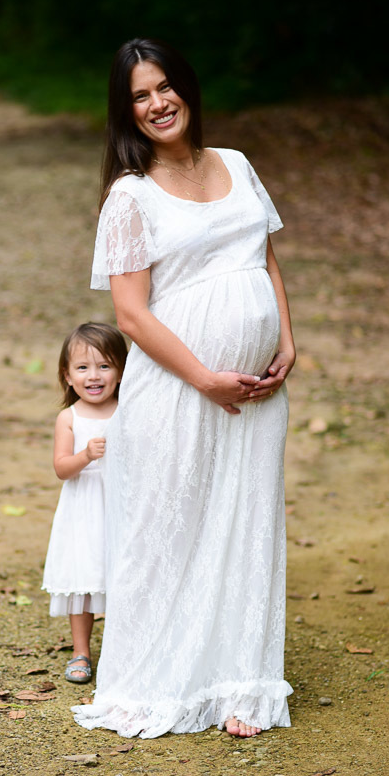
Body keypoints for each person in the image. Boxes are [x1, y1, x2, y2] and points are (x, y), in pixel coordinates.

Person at [73, 38, 296, 738]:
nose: (156, 103)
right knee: (170, 530)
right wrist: (204, 377)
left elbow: (263, 256)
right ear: (125, 112)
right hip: (180, 389)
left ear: (186, 89)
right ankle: (158, 683)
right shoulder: (130, 196)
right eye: (139, 96)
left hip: (257, 387)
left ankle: (239, 684)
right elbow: (131, 314)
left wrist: (285, 339)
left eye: (163, 87)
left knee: (244, 523)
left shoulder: (236, 164)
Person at [42, 322, 128, 683]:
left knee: (124, 574)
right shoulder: (69, 417)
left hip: (123, 502)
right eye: (83, 367)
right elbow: (62, 468)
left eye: (104, 366)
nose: (94, 376)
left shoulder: (128, 410)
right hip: (85, 506)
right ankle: (81, 651)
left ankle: (126, 651)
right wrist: (86, 455)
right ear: (67, 375)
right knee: (85, 579)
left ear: (122, 370)